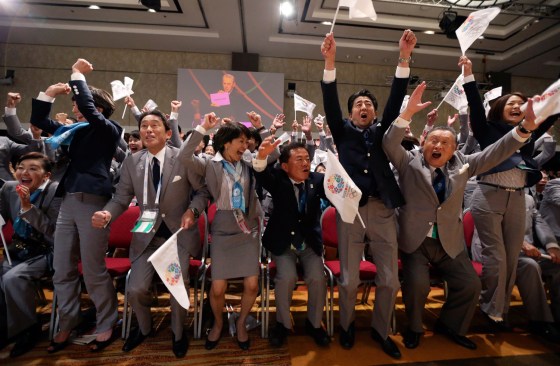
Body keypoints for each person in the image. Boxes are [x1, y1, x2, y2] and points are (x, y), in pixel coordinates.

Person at [383, 82, 539, 350]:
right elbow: (389, 142)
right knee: (418, 286)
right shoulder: (408, 162)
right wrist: (406, 114)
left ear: (454, 149)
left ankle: (450, 325)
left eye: (445, 142)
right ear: (424, 143)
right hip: (416, 242)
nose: (438, 145)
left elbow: (497, 150)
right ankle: (414, 327)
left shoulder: (464, 165)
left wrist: (523, 130)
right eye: (433, 140)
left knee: (470, 285)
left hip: (450, 243)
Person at [319, 29, 416, 358]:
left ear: (374, 112)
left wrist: (404, 58)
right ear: (350, 114)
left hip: (383, 209)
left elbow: (395, 98)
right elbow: (330, 98)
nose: (364, 106)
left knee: (390, 280)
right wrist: (330, 61)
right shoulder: (342, 130)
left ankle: (380, 330)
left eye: (368, 104)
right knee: (347, 280)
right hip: (350, 211)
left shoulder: (381, 131)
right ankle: (346, 327)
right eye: (358, 104)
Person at [92, 110, 209, 358]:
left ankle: (178, 333)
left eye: (155, 125)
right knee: (135, 289)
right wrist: (107, 214)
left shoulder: (182, 158)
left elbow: (202, 192)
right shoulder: (133, 161)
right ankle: (144, 328)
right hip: (146, 237)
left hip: (177, 235)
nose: (148, 130)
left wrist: (193, 210)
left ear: (168, 133)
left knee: (177, 286)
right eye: (144, 125)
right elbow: (122, 198)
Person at [30, 58, 122, 353]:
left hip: (92, 201)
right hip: (68, 200)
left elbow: (91, 112)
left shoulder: (109, 128)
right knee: (62, 268)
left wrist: (77, 75)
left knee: (94, 269)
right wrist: (48, 93)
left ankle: (108, 321)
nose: (73, 109)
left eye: (78, 104)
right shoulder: (76, 130)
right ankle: (69, 321)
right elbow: (41, 122)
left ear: (98, 108)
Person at [461, 55, 559, 329]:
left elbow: (550, 115)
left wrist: (553, 99)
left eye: (520, 104)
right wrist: (469, 75)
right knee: (497, 256)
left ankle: (498, 309)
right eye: (511, 103)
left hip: (518, 196)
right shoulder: (486, 128)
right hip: (488, 194)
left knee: (513, 255)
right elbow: (474, 107)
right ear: (500, 109)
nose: (517, 106)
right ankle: (491, 308)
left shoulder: (529, 131)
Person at [181, 114, 263, 351]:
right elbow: (184, 156)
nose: (245, 146)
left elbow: (273, 156)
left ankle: (240, 324)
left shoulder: (248, 162)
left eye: (247, 142)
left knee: (251, 285)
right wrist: (202, 128)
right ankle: (218, 323)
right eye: (240, 141)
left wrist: (261, 127)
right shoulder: (209, 164)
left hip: (248, 228)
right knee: (217, 287)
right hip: (223, 228)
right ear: (226, 142)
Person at [253, 139, 330, 348]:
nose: (305, 163)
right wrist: (261, 156)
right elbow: (260, 173)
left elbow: (337, 191)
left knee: (317, 278)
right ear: (285, 166)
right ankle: (282, 324)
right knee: (286, 277)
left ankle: (314, 325)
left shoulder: (318, 180)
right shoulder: (278, 178)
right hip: (283, 242)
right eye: (299, 160)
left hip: (309, 242)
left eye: (307, 159)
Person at [472, 194, 560, 343]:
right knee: (530, 266)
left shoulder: (528, 198)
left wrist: (552, 245)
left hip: (528, 252)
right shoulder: (489, 196)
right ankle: (541, 321)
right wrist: (522, 243)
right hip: (497, 250)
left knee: (556, 265)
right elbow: (491, 231)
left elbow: (539, 222)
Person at [0, 152, 60, 357]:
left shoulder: (56, 191)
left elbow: (54, 232)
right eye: (20, 167)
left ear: (46, 175)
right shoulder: (8, 188)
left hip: (48, 251)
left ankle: (27, 329)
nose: (24, 172)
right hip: (18, 249)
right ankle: (5, 328)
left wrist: (27, 207)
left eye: (33, 168)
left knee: (12, 278)